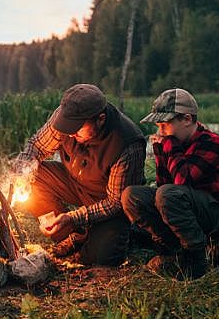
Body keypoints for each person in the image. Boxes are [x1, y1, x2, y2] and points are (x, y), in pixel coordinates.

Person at [14, 83, 146, 266]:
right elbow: (36, 146)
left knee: (101, 258)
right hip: (75, 183)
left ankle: (132, 232)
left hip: (108, 202)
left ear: (100, 119)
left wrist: (74, 216)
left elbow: (115, 202)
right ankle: (71, 234)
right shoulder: (66, 119)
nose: (70, 132)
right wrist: (22, 173)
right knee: (34, 176)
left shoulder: (127, 143)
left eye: (78, 128)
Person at [121, 88, 219, 280]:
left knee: (169, 194)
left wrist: (167, 145)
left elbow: (182, 183)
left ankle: (196, 258)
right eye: (159, 126)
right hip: (185, 207)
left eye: (165, 125)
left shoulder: (212, 143)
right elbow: (163, 185)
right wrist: (161, 152)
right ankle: (171, 249)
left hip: (217, 215)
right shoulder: (173, 141)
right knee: (131, 196)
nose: (161, 132)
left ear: (187, 119)